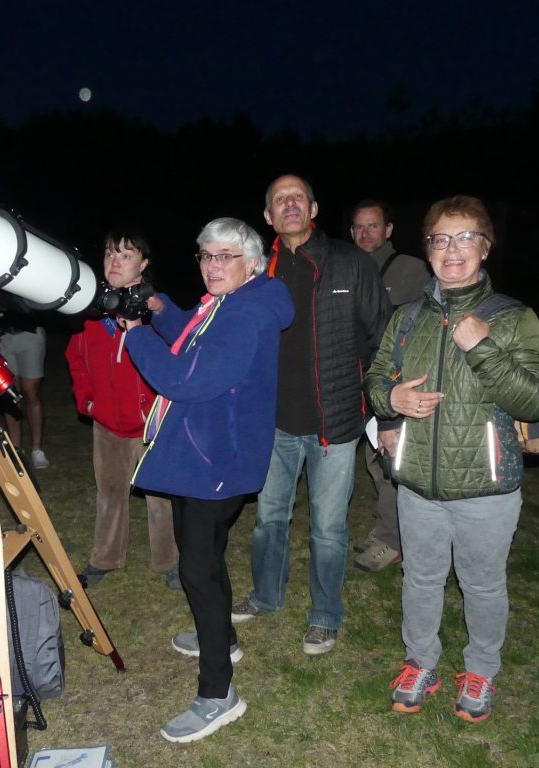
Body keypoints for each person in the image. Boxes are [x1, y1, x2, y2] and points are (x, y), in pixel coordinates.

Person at [364, 195, 539, 723]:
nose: (453, 250)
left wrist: (483, 348)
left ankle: (481, 670)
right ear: (427, 251)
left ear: (485, 247)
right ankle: (420, 662)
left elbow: (538, 400)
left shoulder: (513, 318)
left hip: (487, 489)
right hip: (417, 487)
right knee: (420, 580)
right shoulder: (406, 318)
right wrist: (392, 399)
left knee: (483, 584)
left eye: (465, 237)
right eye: (440, 239)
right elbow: (377, 379)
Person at [122, 217, 293, 743]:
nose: (213, 266)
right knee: (208, 557)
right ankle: (220, 636)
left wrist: (134, 339)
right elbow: (192, 339)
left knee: (197, 568)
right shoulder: (233, 302)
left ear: (253, 260)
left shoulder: (246, 313)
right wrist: (158, 311)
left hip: (215, 459)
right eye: (205, 255)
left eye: (225, 257)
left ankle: (219, 692)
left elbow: (185, 377)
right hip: (209, 454)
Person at [231, 175, 391, 656]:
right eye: (279, 200)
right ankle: (266, 596)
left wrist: (381, 409)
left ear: (314, 207)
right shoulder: (257, 271)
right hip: (274, 422)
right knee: (269, 518)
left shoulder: (350, 261)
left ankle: (325, 615)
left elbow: (381, 335)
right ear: (267, 217)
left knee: (328, 526)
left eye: (297, 196)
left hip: (335, 423)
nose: (290, 204)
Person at [65, 229, 179, 590]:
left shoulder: (157, 310)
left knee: (161, 497)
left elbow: (177, 357)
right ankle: (105, 558)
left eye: (126, 255)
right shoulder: (90, 309)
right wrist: (87, 400)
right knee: (110, 493)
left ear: (143, 264)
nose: (115, 262)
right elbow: (75, 359)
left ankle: (170, 561)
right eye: (110, 253)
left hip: (150, 425)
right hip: (107, 422)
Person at [349, 200, 431, 573]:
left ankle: (393, 543)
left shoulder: (412, 270)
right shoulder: (346, 268)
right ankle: (389, 530)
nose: (366, 233)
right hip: (356, 382)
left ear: (388, 230)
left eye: (373, 226)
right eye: (359, 227)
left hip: (396, 384)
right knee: (376, 460)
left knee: (390, 462)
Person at [0, 318, 49, 469]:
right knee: (10, 391)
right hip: (2, 334)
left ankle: (37, 449)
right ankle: (15, 449)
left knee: (30, 389)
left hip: (30, 332)